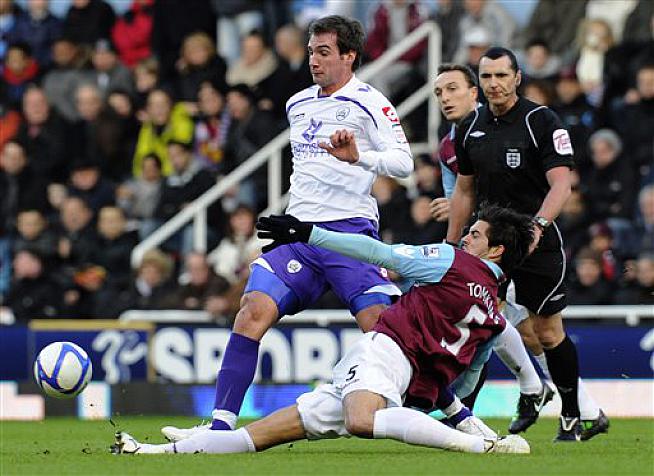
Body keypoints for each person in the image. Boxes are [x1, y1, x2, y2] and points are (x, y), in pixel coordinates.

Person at [162, 15, 414, 439]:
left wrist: (359, 158)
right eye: (312, 51)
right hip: (298, 235)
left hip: (348, 236)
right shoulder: (297, 104)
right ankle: (220, 428)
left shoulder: (370, 102)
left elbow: (403, 163)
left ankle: (457, 414)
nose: (314, 60)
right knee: (251, 311)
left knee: (386, 331)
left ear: (349, 56)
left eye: (324, 52)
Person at [114, 205, 534, 455]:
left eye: (475, 234)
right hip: (400, 376)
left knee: (362, 421)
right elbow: (468, 380)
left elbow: (377, 252)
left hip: (383, 354)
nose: (465, 238)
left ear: (496, 250)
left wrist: (310, 234)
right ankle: (148, 452)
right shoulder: (494, 318)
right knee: (255, 438)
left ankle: (479, 447)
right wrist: (456, 412)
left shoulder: (450, 260)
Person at [445, 47, 608, 441]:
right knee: (485, 323)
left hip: (537, 240)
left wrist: (537, 225)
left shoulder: (541, 120)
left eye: (502, 75)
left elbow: (561, 184)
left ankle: (572, 415)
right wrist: (451, 242)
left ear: (517, 77)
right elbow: (464, 190)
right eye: (486, 77)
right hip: (490, 245)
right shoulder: (470, 127)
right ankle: (469, 414)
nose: (494, 84)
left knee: (547, 332)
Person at [430, 63, 555, 432]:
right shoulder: (449, 144)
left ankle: (547, 389)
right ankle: (553, 392)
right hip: (478, 242)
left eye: (453, 89)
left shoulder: (507, 125)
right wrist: (452, 229)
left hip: (517, 238)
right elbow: (459, 194)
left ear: (475, 92)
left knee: (507, 323)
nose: (445, 98)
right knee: (498, 324)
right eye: (439, 93)